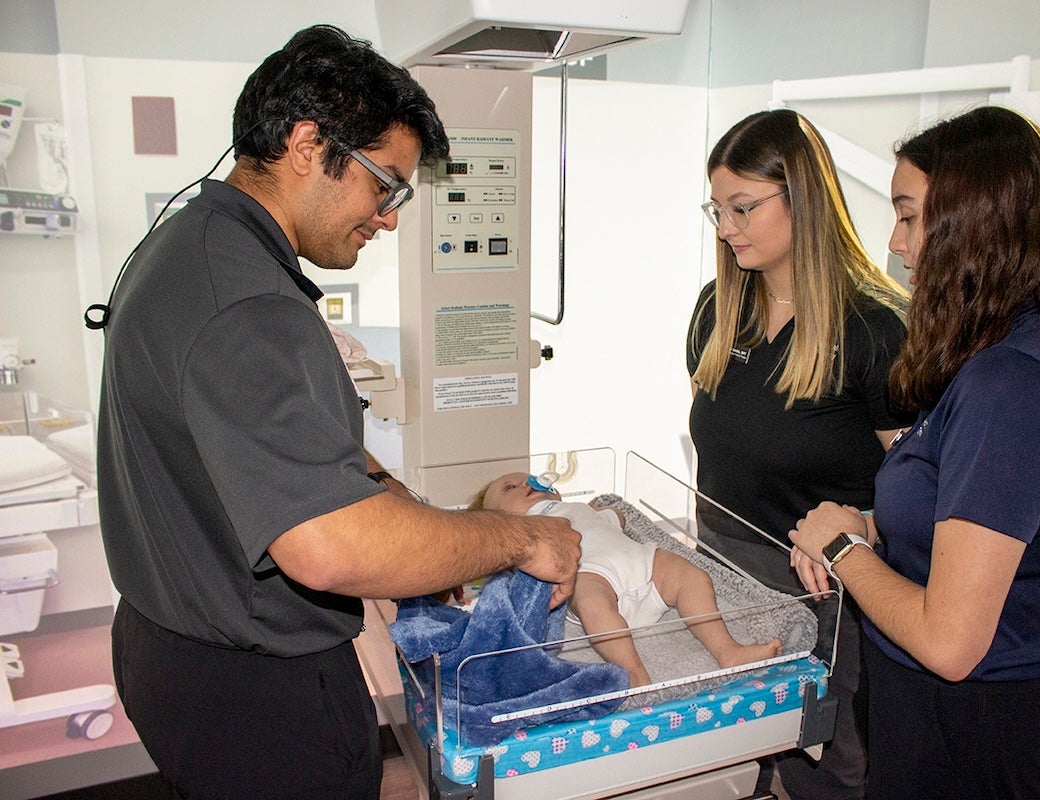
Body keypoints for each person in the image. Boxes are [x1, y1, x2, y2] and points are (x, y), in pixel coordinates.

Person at [95, 26, 581, 800]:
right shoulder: (249, 304)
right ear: (306, 143)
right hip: (253, 697)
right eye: (384, 184)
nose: (388, 217)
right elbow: (328, 545)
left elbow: (313, 456)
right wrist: (517, 538)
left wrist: (430, 530)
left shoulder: (193, 244)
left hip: (172, 647)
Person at [790, 105, 1040, 800]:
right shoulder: (1017, 351)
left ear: (973, 226)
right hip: (944, 714)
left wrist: (840, 550)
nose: (896, 242)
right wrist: (873, 525)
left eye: (910, 217)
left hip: (966, 731)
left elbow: (950, 643)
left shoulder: (1015, 389)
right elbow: (971, 521)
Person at [686, 109, 912, 800]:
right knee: (734, 751)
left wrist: (862, 533)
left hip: (821, 586)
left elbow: (916, 490)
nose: (727, 229)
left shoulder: (876, 327)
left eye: (744, 207)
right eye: (717, 209)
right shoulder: (717, 311)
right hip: (722, 563)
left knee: (824, 762)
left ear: (802, 197)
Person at [474, 472, 783, 687]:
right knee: (592, 604)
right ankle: (634, 673)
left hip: (644, 564)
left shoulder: (582, 508)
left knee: (693, 577)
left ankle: (727, 650)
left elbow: (616, 517)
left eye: (526, 477)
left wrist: (605, 511)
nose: (524, 483)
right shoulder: (524, 531)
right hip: (590, 573)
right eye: (509, 488)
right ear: (500, 522)